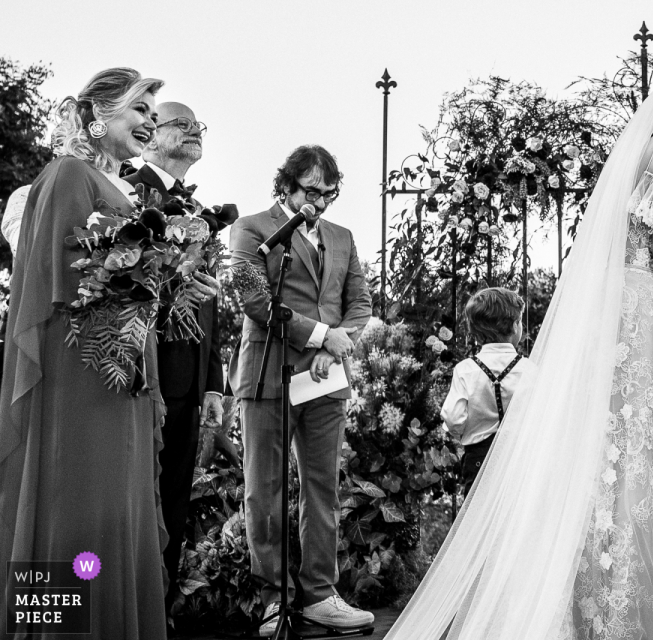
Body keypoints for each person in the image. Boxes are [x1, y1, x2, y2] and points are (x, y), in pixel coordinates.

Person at [384, 71, 653, 640]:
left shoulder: (650, 148)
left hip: (626, 309)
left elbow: (648, 256)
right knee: (637, 462)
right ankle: (626, 613)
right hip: (637, 323)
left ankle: (598, 603)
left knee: (611, 466)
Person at [0, 67, 212, 639]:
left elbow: (133, 283)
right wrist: (151, 270)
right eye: (139, 110)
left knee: (121, 505)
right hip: (86, 373)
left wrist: (176, 279)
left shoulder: (126, 190)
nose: (149, 121)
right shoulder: (68, 174)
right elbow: (62, 282)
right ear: (100, 116)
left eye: (151, 111)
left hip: (127, 373)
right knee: (82, 501)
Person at [228, 145, 373, 636]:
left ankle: (320, 596)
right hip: (267, 375)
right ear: (286, 185)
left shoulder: (343, 236)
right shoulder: (250, 229)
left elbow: (361, 303)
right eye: (313, 191)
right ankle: (274, 598)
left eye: (330, 193)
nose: (323, 202)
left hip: (325, 380)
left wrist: (336, 346)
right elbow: (253, 298)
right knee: (262, 491)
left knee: (322, 489)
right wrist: (319, 334)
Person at [123, 101, 238, 616]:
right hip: (141, 378)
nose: (195, 133)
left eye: (199, 127)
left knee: (172, 503)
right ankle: (133, 608)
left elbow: (209, 303)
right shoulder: (129, 194)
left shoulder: (196, 210)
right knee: (138, 507)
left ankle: (159, 612)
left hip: (189, 385)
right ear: (150, 135)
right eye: (182, 125)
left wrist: (213, 383)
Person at [441, 287, 534, 495]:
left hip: (478, 461)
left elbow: (454, 418)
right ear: (515, 326)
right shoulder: (529, 370)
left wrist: (467, 431)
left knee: (476, 522)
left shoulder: (466, 369)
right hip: (520, 461)